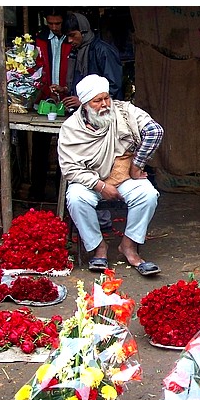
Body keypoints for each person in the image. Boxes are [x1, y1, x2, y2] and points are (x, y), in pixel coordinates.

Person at [58, 74, 164, 276]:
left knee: (148, 195)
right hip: (89, 181)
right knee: (76, 198)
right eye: (97, 101)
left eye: (106, 98)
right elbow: (70, 168)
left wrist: (137, 164)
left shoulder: (124, 112)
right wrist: (100, 186)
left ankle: (128, 245)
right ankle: (99, 247)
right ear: (85, 103)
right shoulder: (71, 128)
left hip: (123, 177)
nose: (105, 104)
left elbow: (155, 131)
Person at [55, 11, 124, 229]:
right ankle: (89, 221)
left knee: (102, 168)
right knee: (82, 170)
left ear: (84, 32)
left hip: (104, 121)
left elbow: (113, 87)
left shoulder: (102, 51)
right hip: (86, 119)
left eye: (73, 35)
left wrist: (89, 100)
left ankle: (101, 221)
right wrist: (68, 92)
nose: (70, 40)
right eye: (67, 36)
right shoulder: (78, 52)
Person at [28, 7, 73, 201]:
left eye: (58, 23)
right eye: (51, 23)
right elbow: (34, 70)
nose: (54, 27)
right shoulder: (39, 40)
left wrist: (65, 89)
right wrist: (46, 91)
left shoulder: (72, 40)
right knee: (39, 149)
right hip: (43, 100)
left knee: (66, 150)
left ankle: (61, 195)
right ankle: (36, 192)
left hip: (67, 99)